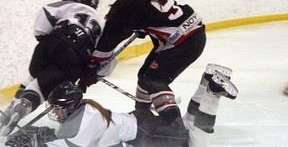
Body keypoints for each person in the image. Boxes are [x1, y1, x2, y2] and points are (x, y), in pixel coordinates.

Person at [82, 0, 207, 129]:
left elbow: (109, 40)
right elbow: (155, 10)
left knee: (153, 79)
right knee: (144, 76)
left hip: (183, 42)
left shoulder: (126, 5)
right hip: (192, 31)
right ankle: (142, 115)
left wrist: (93, 66)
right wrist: (142, 24)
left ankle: (174, 125)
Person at [5, 66, 238, 147]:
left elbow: (75, 143)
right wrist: (39, 135)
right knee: (188, 127)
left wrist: (37, 140)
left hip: (146, 131)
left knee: (198, 144)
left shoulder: (83, 121)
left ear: (70, 106)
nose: (54, 112)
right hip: (141, 124)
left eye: (57, 107)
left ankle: (212, 94)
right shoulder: (83, 110)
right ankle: (206, 80)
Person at [0, 0, 116, 136]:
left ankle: (15, 105)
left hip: (52, 40)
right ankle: (26, 104)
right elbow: (107, 58)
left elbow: (46, 12)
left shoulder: (68, 5)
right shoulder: (101, 23)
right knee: (42, 88)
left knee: (34, 78)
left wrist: (43, 37)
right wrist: (93, 73)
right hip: (75, 56)